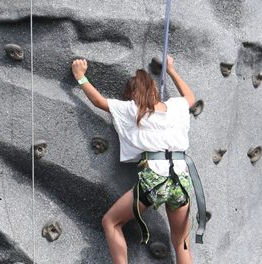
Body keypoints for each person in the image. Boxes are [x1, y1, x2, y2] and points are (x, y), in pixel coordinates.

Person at [71, 55, 201, 264]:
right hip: (182, 180)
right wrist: (171, 70)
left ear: (133, 94)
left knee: (111, 222)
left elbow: (98, 101)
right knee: (181, 241)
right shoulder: (176, 107)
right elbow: (190, 98)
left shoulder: (134, 109)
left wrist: (80, 76)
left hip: (156, 180)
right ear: (155, 91)